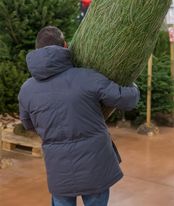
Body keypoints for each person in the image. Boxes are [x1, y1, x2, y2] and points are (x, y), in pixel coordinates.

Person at [18, 26, 140, 206]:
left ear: (36, 50)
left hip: (59, 171)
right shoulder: (88, 78)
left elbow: (28, 124)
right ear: (65, 46)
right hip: (96, 168)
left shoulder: (27, 90)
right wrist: (134, 85)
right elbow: (127, 99)